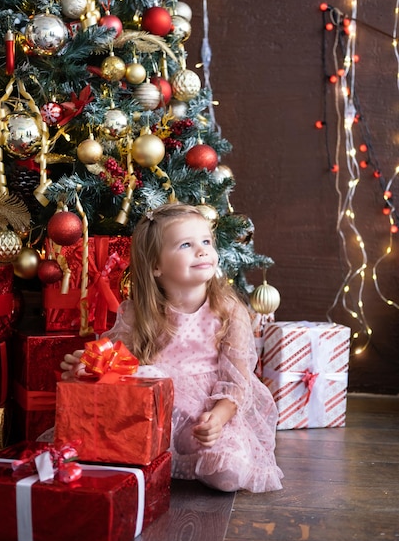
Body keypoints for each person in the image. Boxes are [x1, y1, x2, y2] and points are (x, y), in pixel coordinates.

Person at [61, 202, 283, 493]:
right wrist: (89, 364)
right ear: (156, 265)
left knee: (229, 472)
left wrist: (217, 419)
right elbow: (119, 363)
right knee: (142, 382)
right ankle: (154, 453)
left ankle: (205, 451)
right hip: (160, 411)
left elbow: (238, 381)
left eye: (206, 241)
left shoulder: (228, 310)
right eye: (185, 245)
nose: (202, 250)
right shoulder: (139, 312)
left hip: (210, 408)